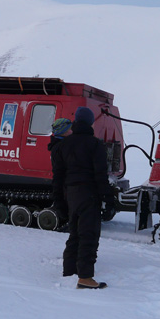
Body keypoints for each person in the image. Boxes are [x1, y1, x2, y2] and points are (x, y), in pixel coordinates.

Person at [50, 106, 115, 289]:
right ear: (90, 123)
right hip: (89, 194)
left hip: (71, 194)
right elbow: (100, 176)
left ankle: (69, 271)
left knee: (75, 234)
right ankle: (85, 277)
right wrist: (109, 200)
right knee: (89, 235)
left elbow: (58, 178)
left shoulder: (62, 145)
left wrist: (59, 202)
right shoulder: (95, 145)